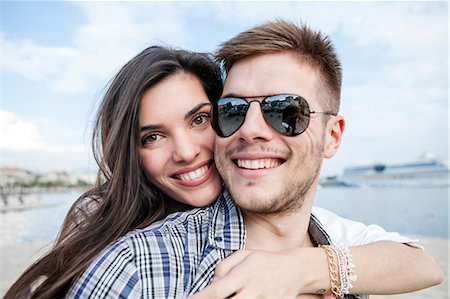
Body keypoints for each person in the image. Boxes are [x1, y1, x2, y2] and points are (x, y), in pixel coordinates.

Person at [64, 24, 442, 299]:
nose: (251, 130)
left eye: (285, 111)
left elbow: (424, 265)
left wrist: (308, 269)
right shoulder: (137, 266)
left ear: (333, 136)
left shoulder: (331, 241)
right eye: (232, 111)